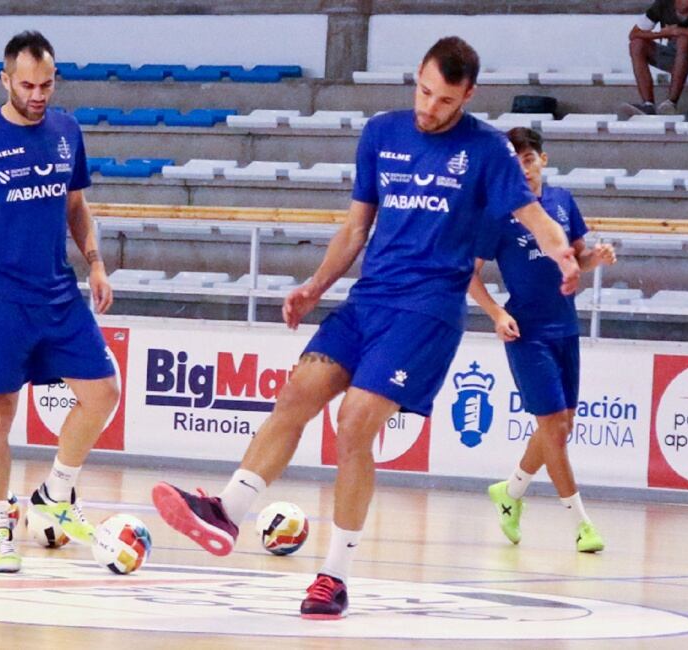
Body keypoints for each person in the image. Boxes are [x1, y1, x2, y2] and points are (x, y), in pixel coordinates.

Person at [150, 37, 580, 619]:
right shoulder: (382, 132)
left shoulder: (486, 151)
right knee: (295, 396)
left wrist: (563, 254)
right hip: (369, 301)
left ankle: (334, 576)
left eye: (445, 99)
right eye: (424, 91)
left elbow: (533, 215)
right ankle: (228, 511)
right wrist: (314, 287)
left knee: (353, 426)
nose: (430, 107)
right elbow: (355, 230)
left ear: (468, 96)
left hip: (427, 312)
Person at [0, 30, 119, 573]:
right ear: (5, 80)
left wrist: (95, 261)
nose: (38, 94)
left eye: (46, 84)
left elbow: (77, 205)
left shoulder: (66, 130)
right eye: (27, 85)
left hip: (58, 291)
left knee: (103, 393)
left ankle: (54, 495)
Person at [468, 128, 616, 554]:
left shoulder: (562, 202)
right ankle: (581, 524)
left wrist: (596, 258)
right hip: (526, 332)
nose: (523, 168)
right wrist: (497, 313)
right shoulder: (496, 213)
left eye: (529, 159)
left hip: (565, 326)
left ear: (543, 160)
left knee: (562, 426)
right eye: (514, 161)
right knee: (552, 426)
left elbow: (578, 258)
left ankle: (510, 492)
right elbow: (468, 273)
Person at [621, 0, 688, 116]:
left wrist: (674, 31)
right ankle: (648, 105)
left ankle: (671, 103)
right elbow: (634, 34)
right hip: (677, 59)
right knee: (636, 44)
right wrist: (661, 34)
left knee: (684, 40)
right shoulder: (662, 5)